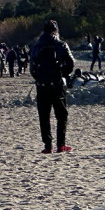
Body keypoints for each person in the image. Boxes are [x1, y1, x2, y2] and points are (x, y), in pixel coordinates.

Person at [30, 19, 76, 153]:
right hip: (57, 84)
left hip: (42, 85)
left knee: (44, 116)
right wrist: (63, 73)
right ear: (56, 30)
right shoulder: (61, 44)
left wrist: (39, 78)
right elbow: (71, 63)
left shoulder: (37, 46)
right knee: (61, 115)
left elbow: (32, 67)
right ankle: (61, 145)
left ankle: (47, 146)